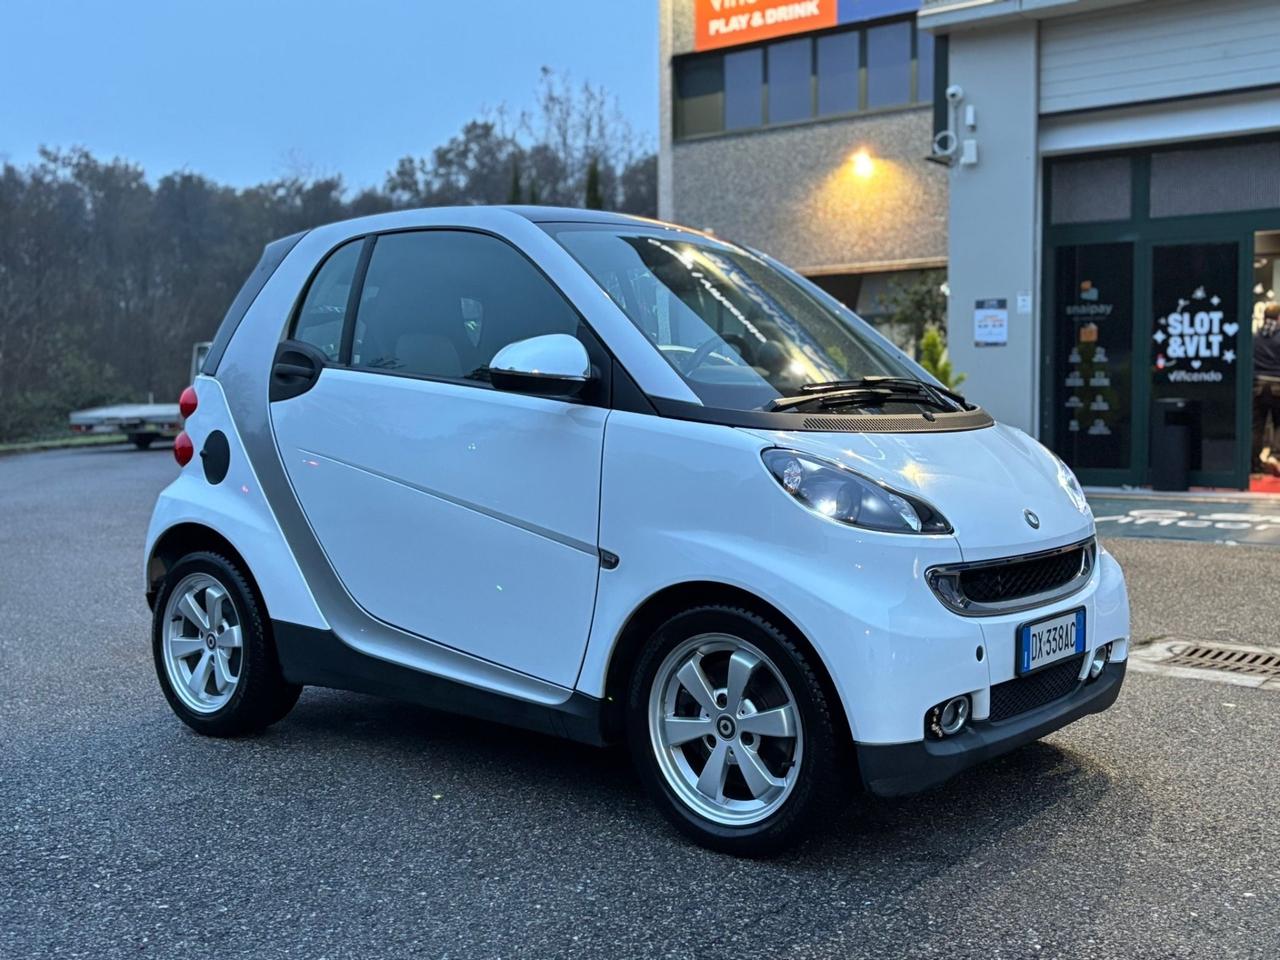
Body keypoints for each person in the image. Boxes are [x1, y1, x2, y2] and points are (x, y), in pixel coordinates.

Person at [1254, 302, 1280, 475]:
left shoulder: (1255, 337)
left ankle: (1254, 462)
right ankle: (1276, 456)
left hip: (1256, 385)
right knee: (1279, 424)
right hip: (1278, 384)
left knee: (1257, 426)